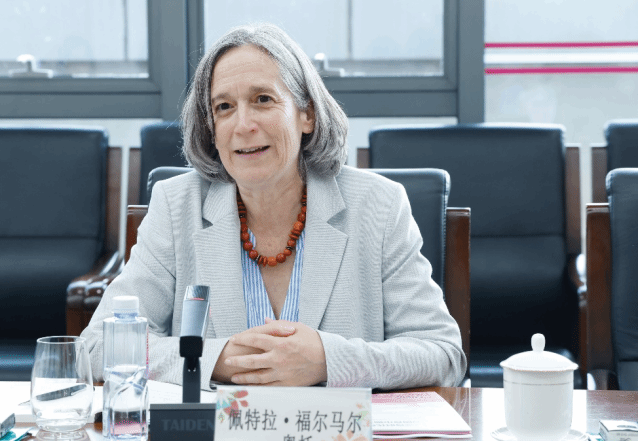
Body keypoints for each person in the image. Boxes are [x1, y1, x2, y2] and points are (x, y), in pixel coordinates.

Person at [82, 23, 466, 389]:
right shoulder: (175, 205)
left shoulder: (379, 205)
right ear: (211, 129)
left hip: (337, 434)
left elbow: (442, 353)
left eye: (262, 100)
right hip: (216, 435)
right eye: (224, 107)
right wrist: (214, 359)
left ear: (307, 114)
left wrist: (328, 360)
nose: (243, 125)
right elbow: (99, 345)